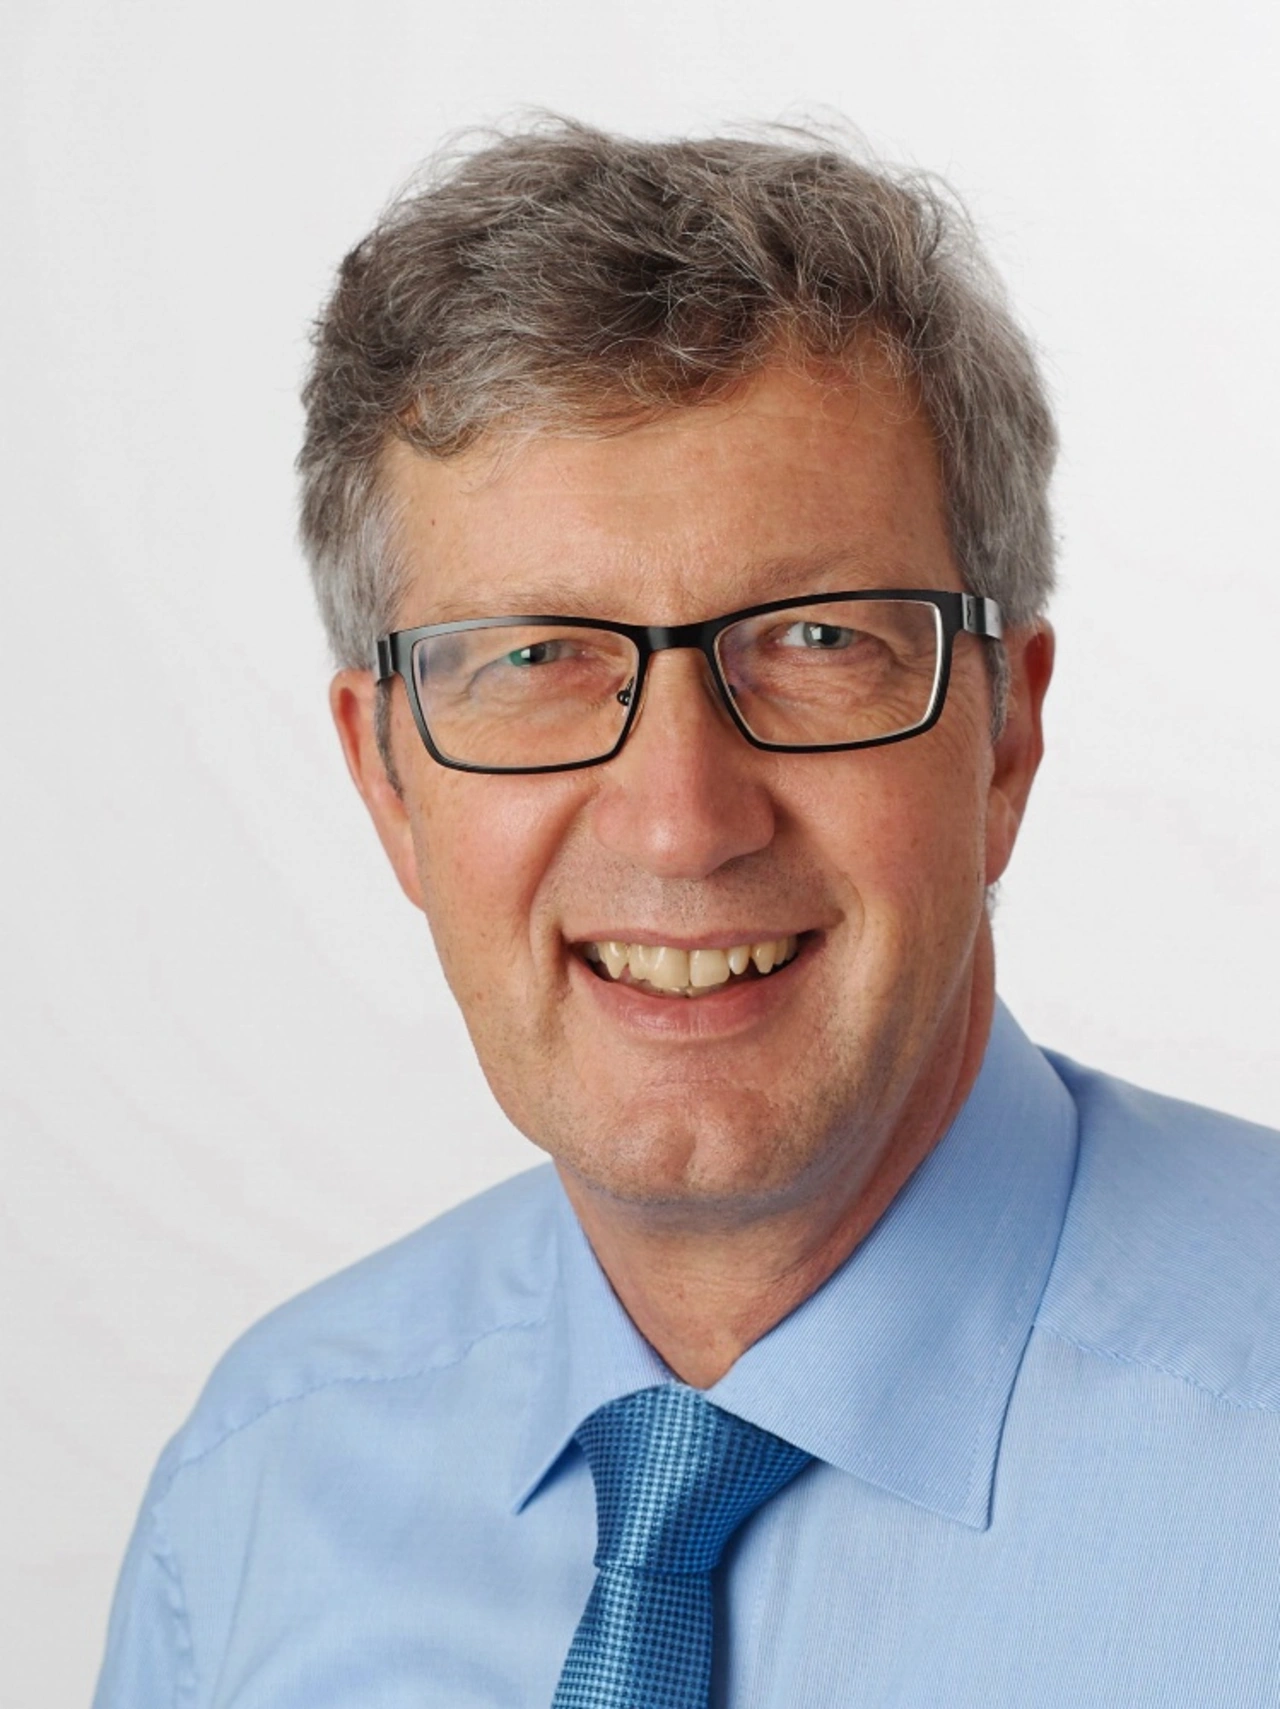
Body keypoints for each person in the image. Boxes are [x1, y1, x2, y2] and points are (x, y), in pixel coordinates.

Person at [93, 121, 1280, 1709]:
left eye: (815, 641)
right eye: (534, 657)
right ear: (386, 779)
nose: (681, 819)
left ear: (1004, 735)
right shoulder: (255, 1496)